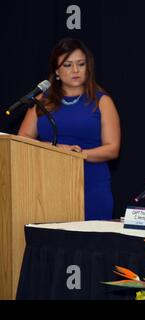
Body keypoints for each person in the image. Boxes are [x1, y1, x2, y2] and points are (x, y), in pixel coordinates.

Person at [18, 38, 121, 220]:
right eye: (68, 65)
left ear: (88, 68)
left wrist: (78, 153)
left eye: (81, 64)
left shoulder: (102, 101)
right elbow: (23, 138)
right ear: (57, 71)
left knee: (92, 245)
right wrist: (54, 148)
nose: (75, 70)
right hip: (47, 183)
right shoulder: (42, 100)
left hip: (91, 184)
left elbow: (112, 149)